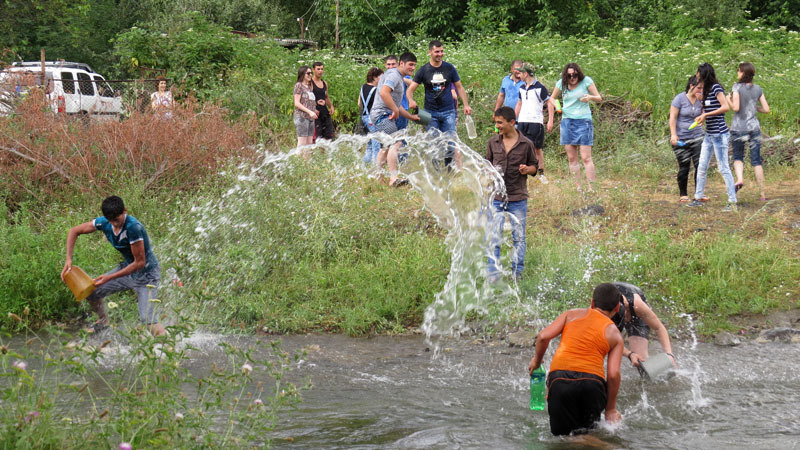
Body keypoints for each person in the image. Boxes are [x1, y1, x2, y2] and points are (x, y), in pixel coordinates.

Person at [61, 196, 166, 337]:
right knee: (92, 293)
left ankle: (170, 348)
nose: (114, 224)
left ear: (124, 211)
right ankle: (103, 322)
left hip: (146, 276)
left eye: (117, 219)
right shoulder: (104, 223)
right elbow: (74, 231)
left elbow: (139, 262)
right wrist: (68, 259)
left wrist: (109, 277)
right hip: (127, 270)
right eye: (111, 220)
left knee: (147, 320)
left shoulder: (133, 227)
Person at [528, 283, 624, 436]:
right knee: (585, 435)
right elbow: (613, 375)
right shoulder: (615, 334)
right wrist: (610, 409)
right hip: (593, 385)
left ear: (592, 303)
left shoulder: (571, 315)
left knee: (563, 438)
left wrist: (537, 361)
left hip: (560, 380)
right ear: (617, 308)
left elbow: (543, 337)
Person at [485, 106, 538, 280]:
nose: (497, 126)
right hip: (497, 197)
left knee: (519, 238)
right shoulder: (493, 142)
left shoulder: (526, 144)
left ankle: (517, 273)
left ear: (512, 123)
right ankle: (493, 274)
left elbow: (534, 167)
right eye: (496, 122)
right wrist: (489, 172)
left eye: (500, 123)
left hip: (518, 198)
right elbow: (487, 164)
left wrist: (526, 169)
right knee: (494, 236)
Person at [687, 62, 737, 211]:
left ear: (704, 74)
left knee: (723, 168)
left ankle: (732, 201)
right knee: (701, 166)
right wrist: (702, 116)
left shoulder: (716, 88)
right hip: (709, 134)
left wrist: (706, 114)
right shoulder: (706, 90)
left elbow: (725, 107)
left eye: (698, 73)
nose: (696, 75)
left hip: (720, 135)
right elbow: (709, 107)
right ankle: (698, 197)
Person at [549, 63, 602, 191]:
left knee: (586, 157)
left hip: (583, 121)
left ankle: (591, 188)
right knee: (572, 158)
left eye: (575, 75)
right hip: (567, 122)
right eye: (569, 75)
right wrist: (557, 106)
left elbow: (599, 98)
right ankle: (578, 188)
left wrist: (590, 97)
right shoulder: (561, 83)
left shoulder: (586, 81)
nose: (572, 78)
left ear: (579, 73)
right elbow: (551, 98)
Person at [370, 52, 420, 187]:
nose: (412, 68)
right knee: (396, 142)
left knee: (385, 146)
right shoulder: (394, 75)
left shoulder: (397, 76)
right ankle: (393, 178)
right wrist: (395, 110)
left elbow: (396, 104)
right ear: (401, 63)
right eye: (410, 64)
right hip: (382, 115)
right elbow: (383, 93)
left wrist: (411, 117)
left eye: (414, 65)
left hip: (383, 114)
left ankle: (378, 177)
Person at [406, 40, 473, 134]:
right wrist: (411, 100)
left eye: (441, 51)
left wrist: (466, 105)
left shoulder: (449, 68)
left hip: (449, 111)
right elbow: (410, 90)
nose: (440, 54)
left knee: (451, 142)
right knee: (434, 144)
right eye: (437, 51)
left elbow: (459, 87)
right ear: (430, 52)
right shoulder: (424, 70)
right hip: (430, 112)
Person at [727, 62, 770, 201]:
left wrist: (728, 99)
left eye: (739, 71)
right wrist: (754, 107)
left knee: (738, 157)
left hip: (739, 128)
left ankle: (740, 179)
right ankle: (762, 193)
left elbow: (736, 108)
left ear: (743, 73)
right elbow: (766, 109)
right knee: (756, 160)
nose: (737, 73)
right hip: (754, 128)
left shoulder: (737, 87)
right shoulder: (758, 89)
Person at [610, 282, 676, 371]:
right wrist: (629, 354)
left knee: (643, 364)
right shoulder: (603, 309)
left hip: (635, 310)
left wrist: (669, 354)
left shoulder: (637, 306)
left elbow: (659, 327)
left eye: (625, 316)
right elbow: (609, 341)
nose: (625, 319)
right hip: (611, 307)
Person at [515, 63, 554, 184]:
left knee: (536, 148)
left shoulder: (539, 87)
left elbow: (549, 102)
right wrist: (513, 119)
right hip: (522, 121)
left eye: (520, 73)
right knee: (521, 147)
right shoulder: (521, 88)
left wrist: (550, 121)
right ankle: (522, 172)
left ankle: (541, 173)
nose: (518, 75)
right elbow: (519, 104)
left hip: (535, 121)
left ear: (526, 74)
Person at [669, 76, 705, 202]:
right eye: (698, 88)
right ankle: (683, 194)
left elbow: (705, 114)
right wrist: (673, 135)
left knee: (699, 165)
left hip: (698, 136)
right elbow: (672, 118)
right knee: (684, 166)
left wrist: (703, 117)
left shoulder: (701, 99)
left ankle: (699, 193)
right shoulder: (679, 99)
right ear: (691, 86)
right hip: (681, 137)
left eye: (702, 88)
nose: (700, 90)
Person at [359, 67, 384, 165]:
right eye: (381, 77)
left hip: (364, 117)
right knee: (376, 142)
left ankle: (366, 163)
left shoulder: (363, 87)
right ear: (374, 77)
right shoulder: (376, 90)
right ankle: (376, 165)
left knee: (369, 143)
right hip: (372, 118)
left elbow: (359, 103)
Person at [293, 65, 318, 150]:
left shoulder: (309, 86)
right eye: (308, 73)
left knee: (309, 143)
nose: (310, 75)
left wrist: (315, 108)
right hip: (302, 117)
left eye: (311, 73)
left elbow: (308, 100)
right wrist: (309, 111)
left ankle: (307, 162)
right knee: (302, 143)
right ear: (302, 74)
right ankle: (298, 162)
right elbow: (297, 103)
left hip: (311, 118)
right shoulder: (298, 85)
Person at [311, 61, 335, 141]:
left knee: (328, 137)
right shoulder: (310, 83)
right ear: (313, 70)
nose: (320, 71)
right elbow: (307, 98)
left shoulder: (324, 83)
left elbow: (326, 97)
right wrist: (313, 107)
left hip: (325, 112)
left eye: (322, 69)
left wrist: (331, 106)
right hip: (315, 114)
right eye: (318, 69)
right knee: (318, 138)